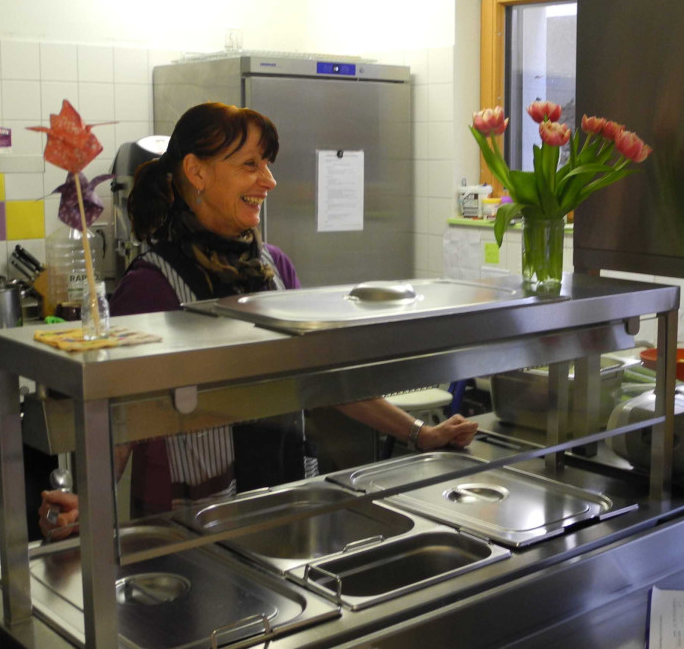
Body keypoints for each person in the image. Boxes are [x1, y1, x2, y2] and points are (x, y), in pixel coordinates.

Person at [39, 102, 477, 538]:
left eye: (266, 164)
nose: (268, 180)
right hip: (192, 522)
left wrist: (421, 434)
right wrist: (85, 500)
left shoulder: (274, 268)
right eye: (250, 164)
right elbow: (120, 422)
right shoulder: (151, 285)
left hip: (287, 497)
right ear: (197, 172)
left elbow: (325, 377)